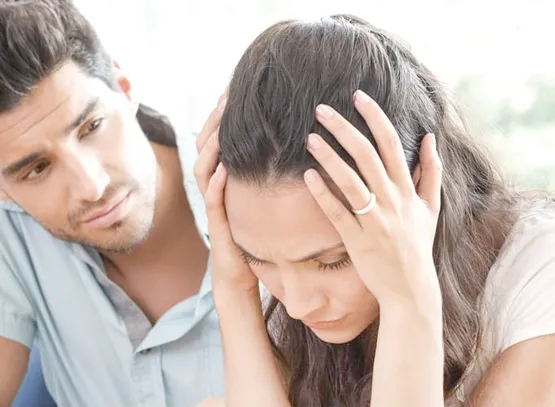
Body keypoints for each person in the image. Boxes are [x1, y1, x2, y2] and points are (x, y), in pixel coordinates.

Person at [194, 14, 555, 407]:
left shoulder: (540, 274)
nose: (296, 305)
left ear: (418, 195)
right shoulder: (289, 286)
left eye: (333, 261)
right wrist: (235, 291)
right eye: (257, 259)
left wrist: (408, 299)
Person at [0, 1, 226, 406]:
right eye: (37, 169)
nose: (92, 186)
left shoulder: (268, 199)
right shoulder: (13, 231)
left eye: (91, 127)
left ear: (123, 87)